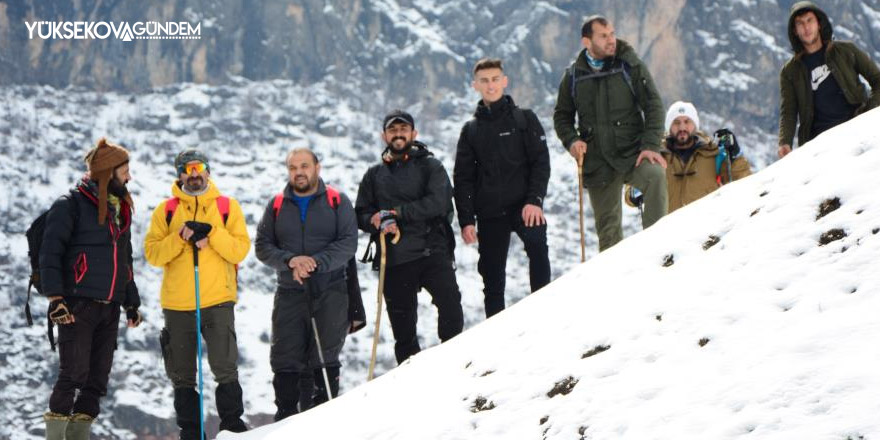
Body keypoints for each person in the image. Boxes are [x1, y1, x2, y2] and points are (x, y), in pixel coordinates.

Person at [40, 138, 142, 440]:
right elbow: (50, 254)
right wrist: (56, 299)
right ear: (107, 172)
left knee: (96, 381)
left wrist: (131, 302)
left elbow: (125, 259)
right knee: (72, 375)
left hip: (109, 306)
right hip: (76, 307)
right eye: (124, 170)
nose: (129, 177)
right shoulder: (69, 205)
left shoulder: (121, 209)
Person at [144, 150, 251, 438]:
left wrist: (212, 233)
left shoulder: (227, 207)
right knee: (182, 374)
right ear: (179, 175)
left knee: (224, 365)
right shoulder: (165, 211)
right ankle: (190, 431)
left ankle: (232, 426)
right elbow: (153, 254)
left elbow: (239, 249)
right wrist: (180, 238)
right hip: (178, 304)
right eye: (187, 169)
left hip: (218, 299)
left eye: (199, 167)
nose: (193, 174)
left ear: (208, 170)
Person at [255, 148, 358, 421]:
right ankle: (286, 418)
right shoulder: (276, 205)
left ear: (317, 168)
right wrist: (291, 261)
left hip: (331, 289)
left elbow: (348, 243)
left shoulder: (338, 201)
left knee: (324, 355)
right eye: (292, 167)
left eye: (304, 166)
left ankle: (324, 420)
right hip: (289, 291)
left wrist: (315, 263)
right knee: (285, 356)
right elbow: (263, 247)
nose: (298, 172)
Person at [355, 110, 464, 364]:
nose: (398, 134)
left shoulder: (431, 166)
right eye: (393, 130)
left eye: (403, 129)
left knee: (451, 308)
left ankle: (452, 362)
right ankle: (410, 379)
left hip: (432, 250)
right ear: (384, 136)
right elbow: (360, 213)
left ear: (414, 134)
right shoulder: (373, 175)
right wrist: (375, 221)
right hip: (394, 258)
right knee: (403, 331)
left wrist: (397, 214)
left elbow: (439, 202)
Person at [553, 15, 667, 252]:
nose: (611, 40)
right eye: (603, 36)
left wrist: (650, 145)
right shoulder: (573, 76)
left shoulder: (630, 66)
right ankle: (616, 283)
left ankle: (659, 250)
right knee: (608, 234)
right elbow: (562, 116)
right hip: (598, 160)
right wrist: (572, 141)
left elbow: (653, 105)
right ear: (587, 42)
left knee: (655, 175)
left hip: (633, 151)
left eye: (612, 34)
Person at [453, 58, 551, 318]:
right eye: (484, 80)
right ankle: (495, 333)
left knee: (538, 248)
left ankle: (544, 313)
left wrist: (535, 200)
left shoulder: (524, 119)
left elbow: (541, 162)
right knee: (492, 277)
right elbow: (463, 179)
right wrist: (466, 220)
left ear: (504, 81)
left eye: (495, 79)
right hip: (490, 213)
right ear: (475, 85)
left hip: (524, 204)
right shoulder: (471, 131)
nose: (491, 85)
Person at [778, 1, 880, 158]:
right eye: (800, 23)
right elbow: (789, 111)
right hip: (818, 144)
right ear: (795, 31)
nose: (806, 27)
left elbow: (877, 79)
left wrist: (870, 111)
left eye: (809, 20)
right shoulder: (790, 71)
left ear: (819, 23)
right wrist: (785, 142)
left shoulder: (846, 51)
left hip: (857, 131)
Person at [654, 101, 752, 212]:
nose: (682, 127)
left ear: (695, 124)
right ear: (669, 126)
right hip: (665, 228)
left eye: (687, 121)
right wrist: (632, 194)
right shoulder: (656, 156)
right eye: (676, 122)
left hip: (708, 227)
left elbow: (743, 181)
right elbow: (633, 190)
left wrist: (735, 154)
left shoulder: (712, 154)